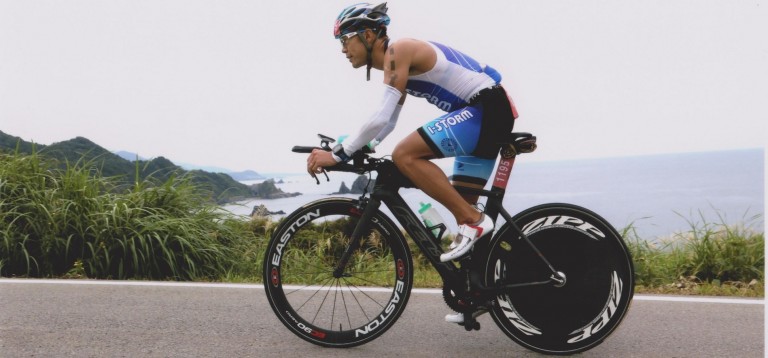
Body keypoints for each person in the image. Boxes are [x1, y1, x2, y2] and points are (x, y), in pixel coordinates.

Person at [305, 2, 518, 323]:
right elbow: (387, 122)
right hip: (487, 113)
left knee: (407, 156)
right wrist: (359, 147)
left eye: (345, 38)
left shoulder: (398, 51)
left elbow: (379, 116)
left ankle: (473, 220)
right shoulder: (394, 64)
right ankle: (477, 294)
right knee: (462, 203)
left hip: (487, 110)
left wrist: (339, 155)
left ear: (366, 34)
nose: (343, 48)